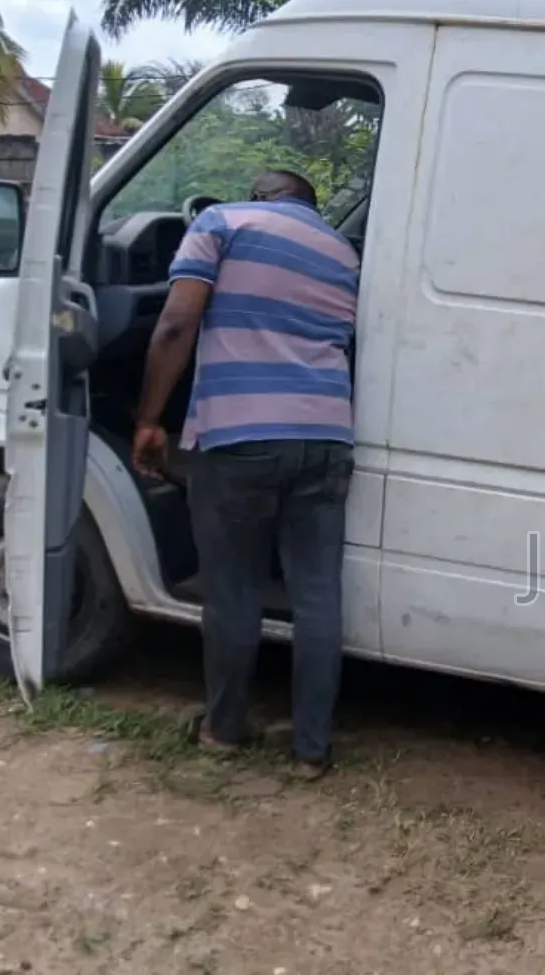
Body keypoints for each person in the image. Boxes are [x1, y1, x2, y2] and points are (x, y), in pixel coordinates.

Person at [131, 169, 359, 780]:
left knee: (233, 589)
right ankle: (312, 749)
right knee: (317, 596)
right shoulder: (344, 252)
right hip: (329, 436)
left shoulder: (223, 221)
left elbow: (176, 324)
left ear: (259, 195)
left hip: (241, 437)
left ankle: (224, 729)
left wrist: (151, 418)